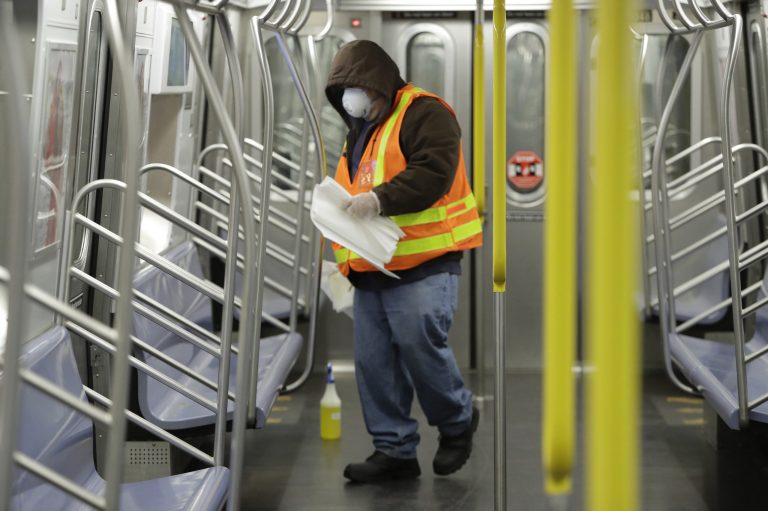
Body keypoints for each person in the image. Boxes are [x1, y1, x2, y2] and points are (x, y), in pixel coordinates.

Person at [325, 40, 483, 483]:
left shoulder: (425, 113)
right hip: (373, 265)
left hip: (425, 258)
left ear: (379, 83)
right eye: (344, 95)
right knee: (374, 361)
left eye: (358, 90)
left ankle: (457, 420)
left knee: (418, 343)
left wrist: (379, 200)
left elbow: (434, 172)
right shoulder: (363, 127)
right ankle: (394, 449)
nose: (353, 101)